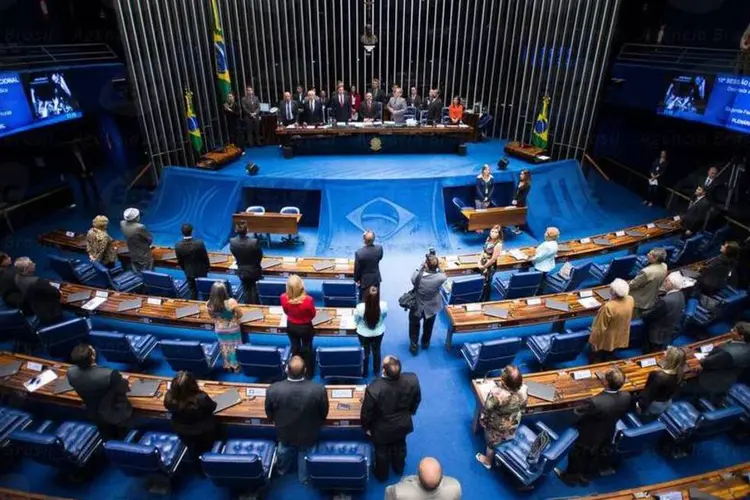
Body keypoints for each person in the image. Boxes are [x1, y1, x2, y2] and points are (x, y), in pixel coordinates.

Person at [555, 368, 631, 486]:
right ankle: (586, 477)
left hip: (588, 436)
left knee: (577, 456)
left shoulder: (596, 402)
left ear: (605, 382)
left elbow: (578, 415)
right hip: (608, 432)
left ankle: (570, 478)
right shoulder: (626, 396)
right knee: (595, 456)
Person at [265, 355, 329, 482]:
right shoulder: (318, 390)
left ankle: (282, 470)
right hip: (308, 432)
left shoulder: (273, 389)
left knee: (284, 450)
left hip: (284, 432)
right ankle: (304, 477)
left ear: (287, 370)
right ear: (305, 370)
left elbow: (269, 413)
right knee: (305, 452)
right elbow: (324, 413)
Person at [361, 355, 422, 482]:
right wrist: (409, 413)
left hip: (382, 429)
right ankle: (398, 468)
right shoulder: (412, 379)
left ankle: (382, 475)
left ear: (383, 370)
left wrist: (366, 428)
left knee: (381, 452)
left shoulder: (374, 388)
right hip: (403, 425)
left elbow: (367, 413)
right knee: (400, 446)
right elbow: (417, 400)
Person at [67, 343, 133, 440]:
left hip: (92, 412)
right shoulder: (109, 374)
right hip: (115, 412)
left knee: (105, 431)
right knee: (119, 434)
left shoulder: (70, 372)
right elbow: (124, 389)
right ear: (93, 356)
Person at [475, 366, 528, 470]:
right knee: (506, 437)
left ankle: (488, 461)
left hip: (497, 425)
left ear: (504, 382)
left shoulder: (497, 393)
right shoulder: (524, 388)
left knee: (492, 442)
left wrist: (483, 421)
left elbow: (487, 409)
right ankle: (503, 449)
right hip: (513, 421)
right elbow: (523, 407)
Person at [684, 322, 750, 402]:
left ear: (741, 337)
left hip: (711, 382)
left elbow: (705, 363)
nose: (731, 330)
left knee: (682, 382)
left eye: (734, 330)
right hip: (729, 376)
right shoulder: (746, 347)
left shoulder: (727, 353)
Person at [164, 371, 219, 457]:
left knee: (192, 448)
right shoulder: (201, 398)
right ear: (193, 384)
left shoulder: (169, 398)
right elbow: (212, 407)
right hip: (202, 431)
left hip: (181, 430)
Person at [408, 252, 447, 354]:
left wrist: (422, 265)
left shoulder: (416, 276)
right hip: (432, 307)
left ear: (425, 264)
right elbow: (443, 274)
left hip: (417, 305)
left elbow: (414, 277)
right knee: (428, 326)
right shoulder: (440, 278)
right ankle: (425, 343)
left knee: (414, 326)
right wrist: (437, 265)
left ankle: (414, 345)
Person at [588, 278, 634, 363]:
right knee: (610, 355)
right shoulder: (630, 299)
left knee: (597, 358)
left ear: (613, 292)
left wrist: (594, 342)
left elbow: (600, 328)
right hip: (620, 335)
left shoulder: (609, 307)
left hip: (606, 339)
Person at [281, 275, 317, 378]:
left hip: (291, 326)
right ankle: (309, 373)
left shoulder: (283, 297)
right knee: (307, 347)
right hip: (305, 327)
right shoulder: (308, 300)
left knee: (295, 347)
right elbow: (312, 314)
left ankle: (294, 370)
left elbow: (286, 311)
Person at [642, 272, 686, 353]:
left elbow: (649, 315)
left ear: (670, 284)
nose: (664, 283)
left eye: (666, 281)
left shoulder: (665, 301)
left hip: (656, 334)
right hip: (670, 331)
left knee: (652, 353)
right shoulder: (681, 295)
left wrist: (642, 313)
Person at [636, 346, 685, 418]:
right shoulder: (681, 373)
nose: (664, 352)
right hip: (667, 402)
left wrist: (639, 406)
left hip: (655, 405)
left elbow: (648, 396)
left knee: (647, 418)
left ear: (669, 359)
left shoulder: (659, 376)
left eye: (667, 353)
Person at [14, 257, 62, 325]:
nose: (35, 264)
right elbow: (57, 294)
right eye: (31, 264)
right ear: (26, 269)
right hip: (49, 313)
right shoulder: (38, 282)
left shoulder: (17, 278)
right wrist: (48, 286)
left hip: (31, 307)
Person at [206, 282, 243, 372]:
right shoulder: (231, 302)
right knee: (235, 346)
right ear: (224, 291)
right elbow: (240, 314)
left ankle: (227, 365)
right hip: (232, 328)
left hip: (220, 329)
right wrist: (233, 319)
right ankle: (236, 366)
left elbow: (212, 316)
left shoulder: (208, 304)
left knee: (225, 346)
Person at [385, 457, 462, 500]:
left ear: (418, 477)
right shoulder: (455, 487)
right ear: (442, 476)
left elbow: (388, 496)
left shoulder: (399, 492)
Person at [354, 285, 387, 377]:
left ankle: (364, 372)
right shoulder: (383, 305)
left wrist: (357, 325)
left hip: (363, 333)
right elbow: (384, 317)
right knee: (377, 351)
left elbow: (356, 320)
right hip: (378, 332)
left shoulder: (360, 307)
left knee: (365, 352)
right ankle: (377, 371)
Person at [229, 220, 263, 304]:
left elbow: (234, 253)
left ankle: (247, 306)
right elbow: (260, 256)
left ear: (236, 230)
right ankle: (256, 307)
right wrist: (256, 264)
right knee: (254, 288)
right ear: (247, 230)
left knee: (246, 289)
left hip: (241, 271)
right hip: (254, 270)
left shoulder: (232, 242)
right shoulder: (254, 242)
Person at [174, 223, 210, 300]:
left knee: (192, 290)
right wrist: (208, 268)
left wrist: (185, 269)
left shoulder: (178, 245)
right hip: (201, 270)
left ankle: (194, 302)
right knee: (204, 289)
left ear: (181, 232)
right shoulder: (199, 243)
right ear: (192, 231)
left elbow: (180, 261)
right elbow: (205, 257)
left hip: (188, 271)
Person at [629, 247, 668, 315]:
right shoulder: (664, 266)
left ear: (655, 258)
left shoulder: (647, 272)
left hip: (639, 300)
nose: (647, 254)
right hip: (652, 298)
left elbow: (633, 285)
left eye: (650, 254)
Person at [121, 207, 153, 273]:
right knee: (146, 272)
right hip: (143, 255)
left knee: (136, 270)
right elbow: (149, 239)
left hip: (132, 252)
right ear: (136, 218)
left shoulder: (122, 223)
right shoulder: (140, 227)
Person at [354, 230, 384, 299]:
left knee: (365, 301)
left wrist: (356, 279)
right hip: (375, 280)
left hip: (364, 282)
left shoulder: (359, 253)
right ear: (374, 239)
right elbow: (380, 257)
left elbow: (357, 269)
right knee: (374, 299)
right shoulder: (379, 249)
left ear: (364, 240)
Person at [478, 225, 503, 302]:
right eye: (492, 231)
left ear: (499, 234)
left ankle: (486, 300)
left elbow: (493, 259)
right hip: (483, 261)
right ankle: (481, 297)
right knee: (483, 281)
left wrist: (484, 266)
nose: (493, 233)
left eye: (496, 232)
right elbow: (483, 250)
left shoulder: (498, 244)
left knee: (487, 283)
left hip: (490, 265)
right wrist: (479, 261)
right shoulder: (488, 239)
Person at [510, 169, 531, 234]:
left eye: (522, 174)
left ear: (526, 175)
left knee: (519, 216)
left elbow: (524, 196)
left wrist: (517, 201)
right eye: (520, 174)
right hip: (515, 201)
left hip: (521, 203)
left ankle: (518, 229)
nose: (520, 175)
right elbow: (515, 191)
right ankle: (514, 227)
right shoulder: (519, 181)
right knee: (514, 215)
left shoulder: (528, 185)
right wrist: (513, 199)